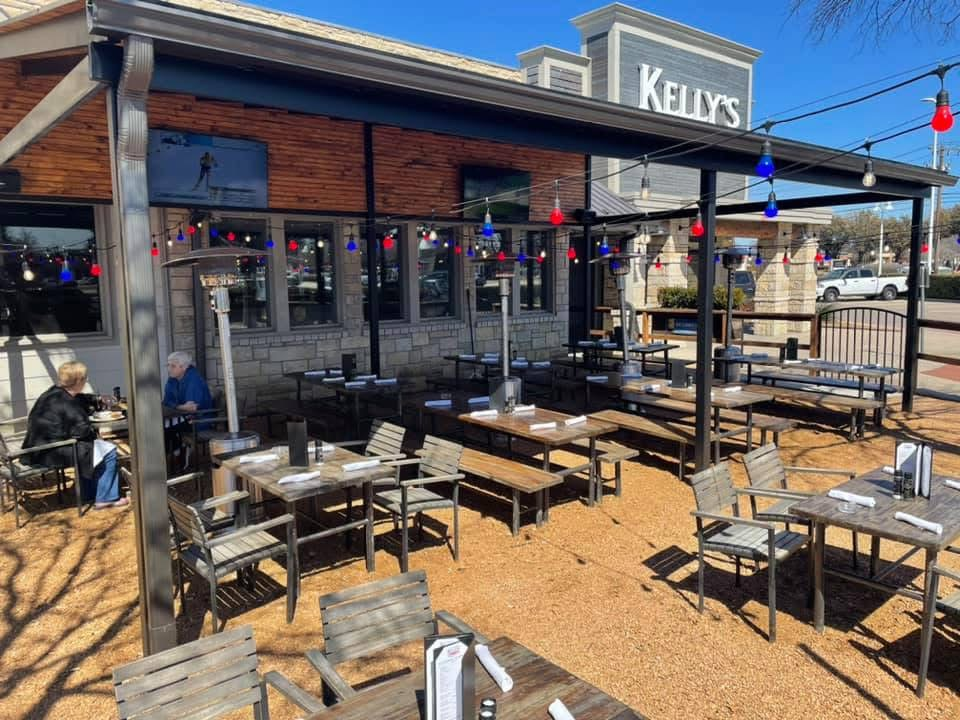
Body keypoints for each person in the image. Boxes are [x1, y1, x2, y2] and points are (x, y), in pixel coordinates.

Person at [23, 360, 127, 509]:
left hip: (37, 446)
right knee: (108, 450)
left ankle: (88, 494)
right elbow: (82, 431)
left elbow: (79, 398)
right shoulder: (68, 405)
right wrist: (94, 424)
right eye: (84, 378)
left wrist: (96, 399)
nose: (85, 381)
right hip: (53, 451)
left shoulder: (54, 392)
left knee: (95, 449)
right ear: (79, 381)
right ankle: (106, 498)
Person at [163, 351, 213, 415]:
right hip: (180, 417)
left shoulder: (194, 379)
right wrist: (179, 407)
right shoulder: (172, 378)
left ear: (184, 367)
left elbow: (191, 408)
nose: (169, 369)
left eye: (173, 366)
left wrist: (175, 406)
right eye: (168, 365)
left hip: (197, 421)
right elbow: (166, 402)